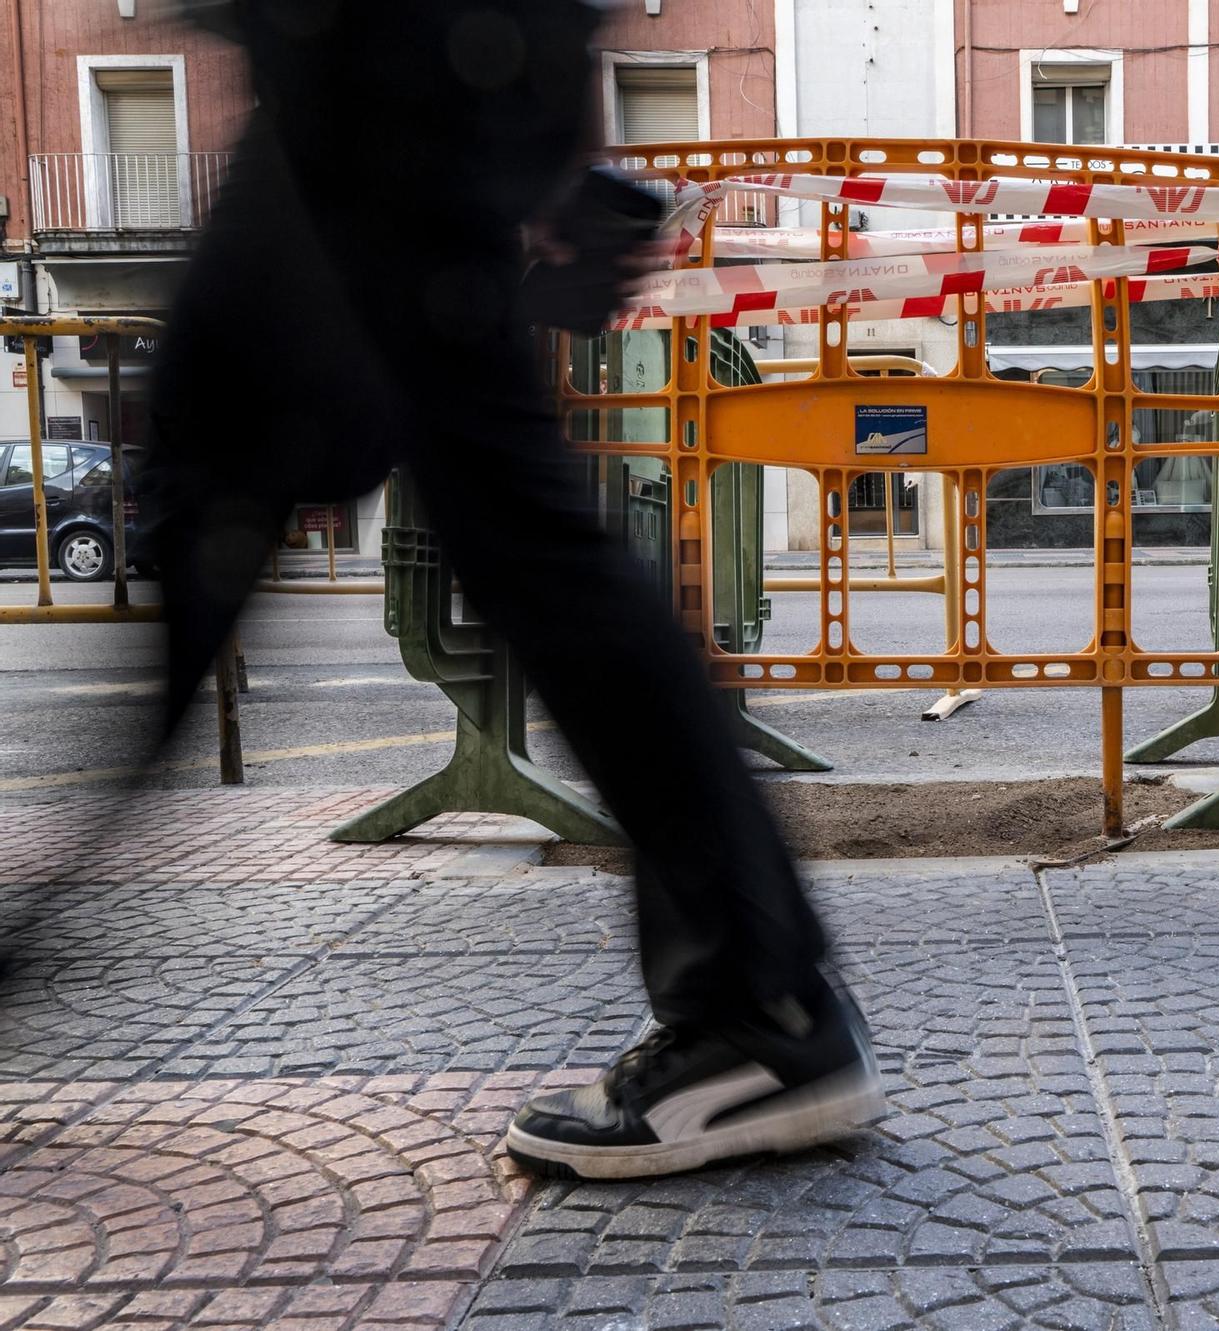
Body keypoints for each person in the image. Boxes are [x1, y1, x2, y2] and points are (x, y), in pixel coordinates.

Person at [147, 0, 881, 1179]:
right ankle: (762, 1000)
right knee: (498, 527)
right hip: (400, 66)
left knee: (494, 529)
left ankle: (762, 1010)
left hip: (383, 65)